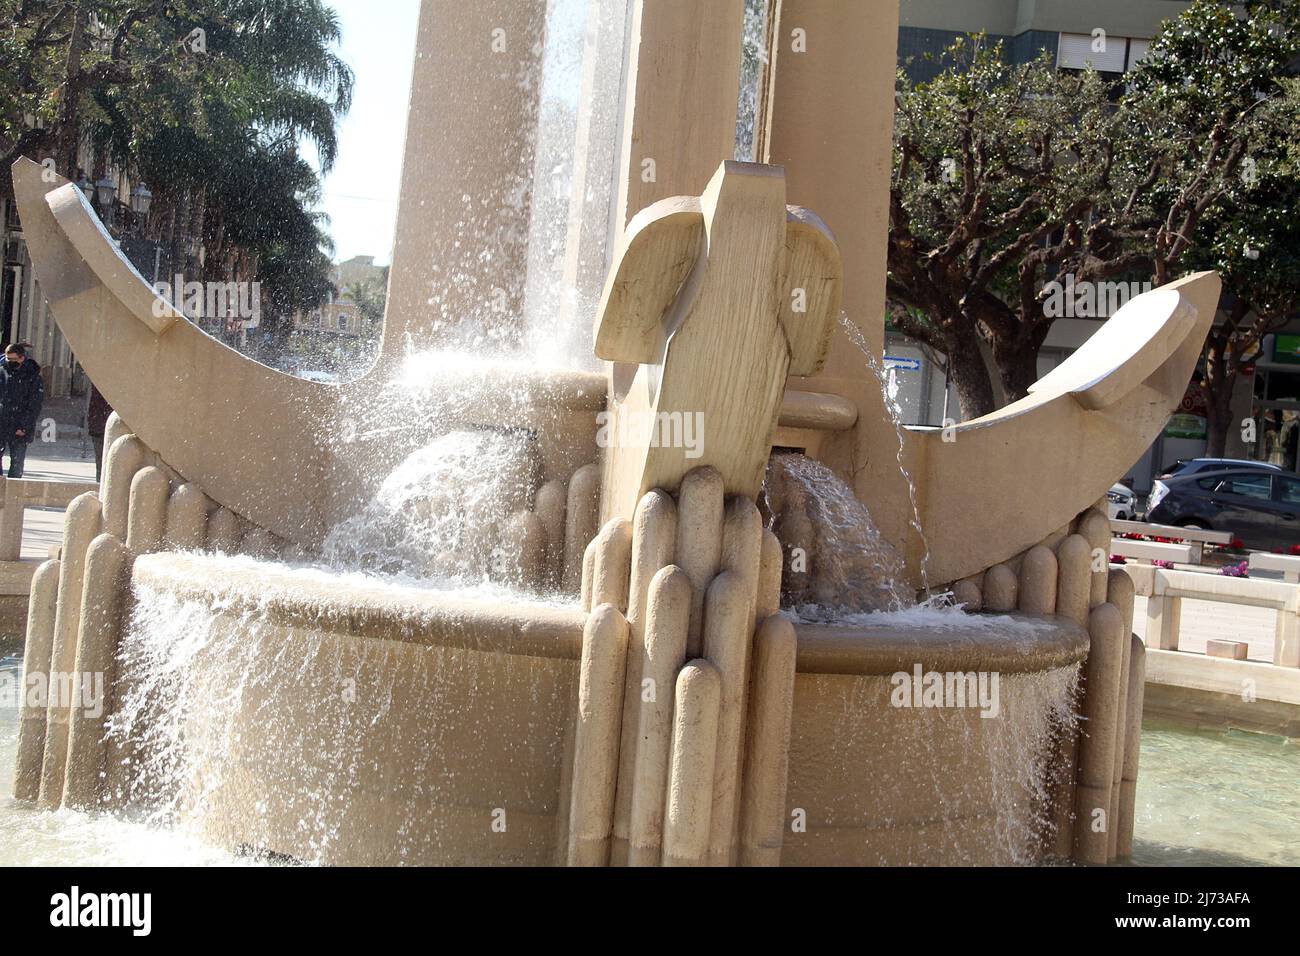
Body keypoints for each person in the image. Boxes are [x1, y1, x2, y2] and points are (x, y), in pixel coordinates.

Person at [0, 343, 45, 478]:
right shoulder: (2, 372)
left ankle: (12, 493)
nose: (9, 362)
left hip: (20, 426)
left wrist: (24, 426)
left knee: (17, 463)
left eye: (13, 359)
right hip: (2, 422)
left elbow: (34, 405)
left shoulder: (33, 376)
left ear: (21, 358)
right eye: (8, 359)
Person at [87, 382, 112, 481]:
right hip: (102, 428)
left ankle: (102, 487)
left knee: (102, 466)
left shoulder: (100, 381)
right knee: (106, 467)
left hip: (99, 426)